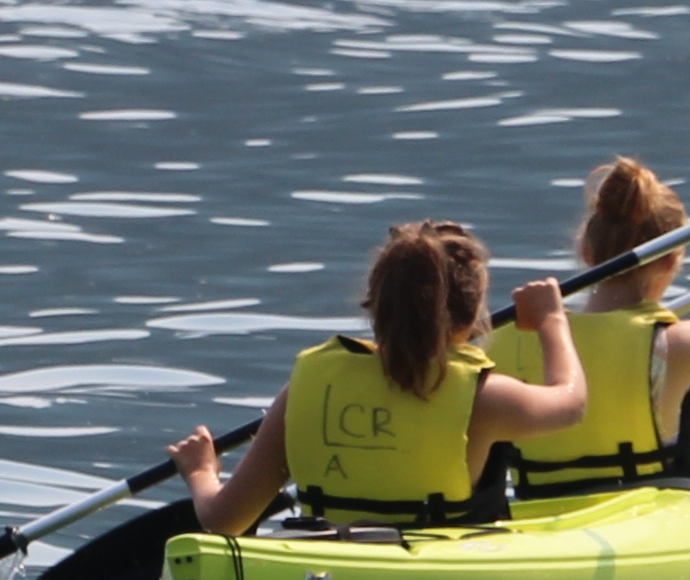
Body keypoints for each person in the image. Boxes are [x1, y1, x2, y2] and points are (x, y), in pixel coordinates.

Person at [165, 218, 590, 535]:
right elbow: (571, 404)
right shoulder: (486, 398)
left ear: (375, 306)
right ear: (472, 314)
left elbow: (223, 520)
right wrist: (552, 320)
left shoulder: (306, 389)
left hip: (325, 569)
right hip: (438, 572)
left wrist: (201, 472)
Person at [495, 154, 690, 499]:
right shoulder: (675, 345)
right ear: (674, 259)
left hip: (535, 514)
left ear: (586, 252)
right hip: (647, 516)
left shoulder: (504, 340)